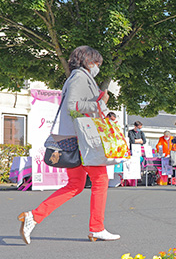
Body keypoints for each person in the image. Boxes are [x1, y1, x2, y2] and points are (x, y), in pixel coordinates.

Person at [18, 46, 120, 244]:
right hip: (82, 140)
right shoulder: (80, 77)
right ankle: (96, 228)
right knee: (100, 181)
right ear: (88, 61)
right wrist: (100, 104)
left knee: (75, 185)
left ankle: (34, 216)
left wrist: (103, 106)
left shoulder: (77, 77)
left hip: (75, 139)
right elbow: (73, 105)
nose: (98, 67)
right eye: (96, 63)